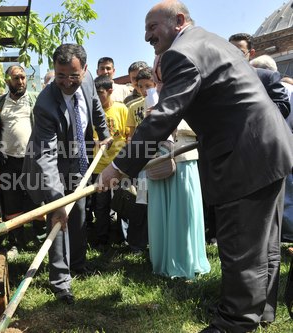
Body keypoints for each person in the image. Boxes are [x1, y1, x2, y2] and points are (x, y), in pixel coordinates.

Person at [99, 1, 293, 332]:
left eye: (152, 28)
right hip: (268, 150)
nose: (147, 37)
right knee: (264, 244)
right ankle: (262, 312)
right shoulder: (211, 41)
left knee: (241, 248)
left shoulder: (181, 53)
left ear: (178, 21)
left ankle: (233, 322)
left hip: (245, 158)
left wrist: (119, 167)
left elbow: (163, 115)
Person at [23, 43, 111, 305]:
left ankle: (78, 264)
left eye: (73, 76)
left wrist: (103, 133)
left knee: (81, 212)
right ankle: (61, 281)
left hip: (79, 158)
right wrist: (57, 200)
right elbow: (46, 156)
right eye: (60, 76)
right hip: (53, 164)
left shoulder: (88, 82)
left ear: (84, 70)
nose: (66, 82)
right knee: (59, 219)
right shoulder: (46, 104)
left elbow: (95, 106)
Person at [141, 63, 210, 280]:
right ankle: (162, 261)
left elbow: (203, 127)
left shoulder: (193, 92)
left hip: (184, 158)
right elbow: (147, 131)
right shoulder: (150, 97)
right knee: (160, 212)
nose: (159, 83)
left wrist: (173, 124)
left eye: (163, 78)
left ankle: (186, 261)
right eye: (157, 78)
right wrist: (153, 121)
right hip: (158, 161)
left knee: (183, 212)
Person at [0, 65, 45, 258]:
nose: (21, 81)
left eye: (23, 77)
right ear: (7, 81)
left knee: (37, 199)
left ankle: (40, 238)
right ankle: (15, 242)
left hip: (31, 160)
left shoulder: (34, 99)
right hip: (8, 161)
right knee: (11, 203)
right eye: (16, 78)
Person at [90, 74, 129, 250]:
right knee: (101, 204)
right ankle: (101, 238)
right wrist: (96, 142)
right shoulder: (92, 113)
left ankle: (124, 238)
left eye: (100, 93)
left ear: (110, 91)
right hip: (99, 166)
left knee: (123, 201)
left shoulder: (121, 110)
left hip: (119, 165)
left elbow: (128, 135)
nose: (97, 98)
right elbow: (89, 138)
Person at [229, 32, 290, 119]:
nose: (233, 56)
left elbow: (282, 107)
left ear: (252, 53)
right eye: (229, 52)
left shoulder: (267, 77)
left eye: (240, 52)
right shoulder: (218, 78)